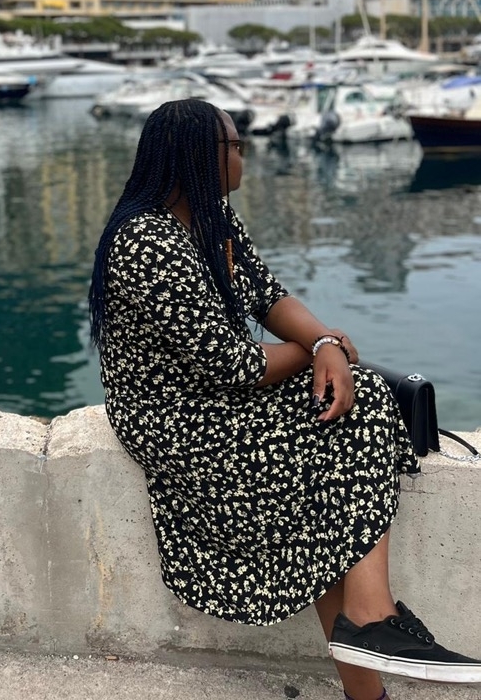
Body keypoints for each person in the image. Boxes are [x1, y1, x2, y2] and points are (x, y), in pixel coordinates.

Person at [89, 98, 481, 700]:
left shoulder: (213, 218)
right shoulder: (146, 242)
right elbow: (235, 365)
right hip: (173, 415)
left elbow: (270, 297)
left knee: (349, 425)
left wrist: (322, 340)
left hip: (217, 393)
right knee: (350, 427)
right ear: (200, 156)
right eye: (236, 146)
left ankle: (369, 637)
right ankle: (371, 621)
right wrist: (321, 350)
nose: (244, 156)